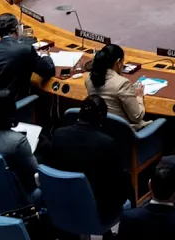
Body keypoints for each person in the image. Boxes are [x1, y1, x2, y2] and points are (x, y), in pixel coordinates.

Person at [37, 94, 127, 225]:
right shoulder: (107, 144)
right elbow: (116, 184)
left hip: (62, 202)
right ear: (102, 118)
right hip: (96, 210)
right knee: (124, 181)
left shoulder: (59, 134)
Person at [0, 13, 55, 100]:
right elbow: (48, 70)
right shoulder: (25, 50)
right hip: (13, 102)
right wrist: (45, 55)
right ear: (16, 28)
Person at [85, 43, 148, 128]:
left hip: (99, 128)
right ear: (118, 62)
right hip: (122, 131)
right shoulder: (123, 83)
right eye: (122, 62)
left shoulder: (89, 78)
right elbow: (137, 117)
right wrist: (139, 97)